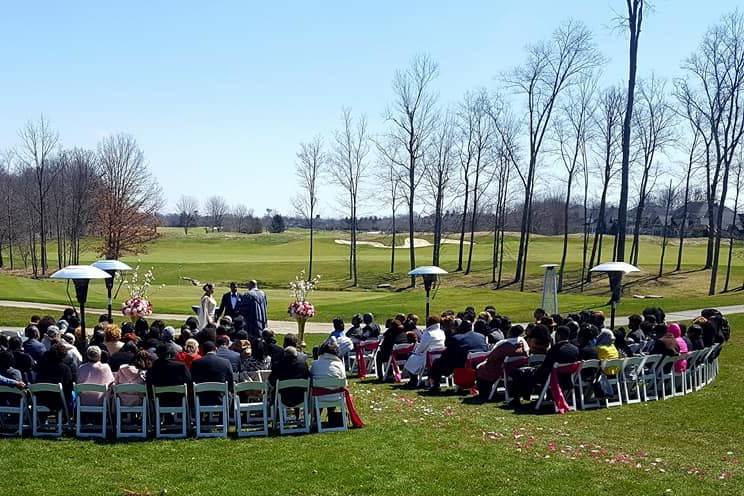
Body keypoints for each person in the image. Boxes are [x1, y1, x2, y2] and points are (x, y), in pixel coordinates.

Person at [510, 326, 579, 406]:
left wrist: (534, 370)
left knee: (519, 372)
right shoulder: (575, 349)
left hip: (550, 377)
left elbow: (545, 367)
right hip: (567, 378)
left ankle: (516, 399)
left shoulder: (555, 350)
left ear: (558, 335)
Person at [428, 320, 489, 390]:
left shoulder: (456, 338)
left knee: (437, 362)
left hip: (462, 365)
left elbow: (447, 354)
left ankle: (435, 385)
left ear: (460, 328)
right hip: (480, 364)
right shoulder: (481, 336)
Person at [475, 325, 528, 398]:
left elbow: (492, 357)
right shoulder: (523, 342)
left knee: (481, 367)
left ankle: (484, 392)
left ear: (510, 332)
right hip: (516, 369)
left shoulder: (503, 344)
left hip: (501, 370)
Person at [403, 315, 446, 386]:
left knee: (411, 358)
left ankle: (413, 380)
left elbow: (421, 348)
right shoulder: (441, 332)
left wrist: (415, 352)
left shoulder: (428, 333)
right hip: (439, 356)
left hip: (427, 357)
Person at [35, 342, 74, 411]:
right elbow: (69, 387)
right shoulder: (65, 369)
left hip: (42, 399)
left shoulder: (42, 367)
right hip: (59, 402)